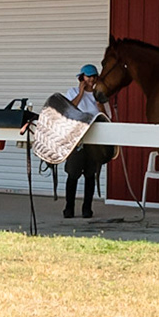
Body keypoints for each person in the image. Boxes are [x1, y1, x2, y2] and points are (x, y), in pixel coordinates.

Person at [62, 64, 107, 218]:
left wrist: (100, 105)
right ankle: (69, 207)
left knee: (90, 174)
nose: (91, 80)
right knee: (73, 173)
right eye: (88, 77)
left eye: (94, 77)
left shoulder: (99, 95)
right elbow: (68, 110)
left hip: (94, 140)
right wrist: (81, 93)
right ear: (82, 77)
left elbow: (107, 118)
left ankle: (87, 208)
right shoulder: (72, 92)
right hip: (77, 139)